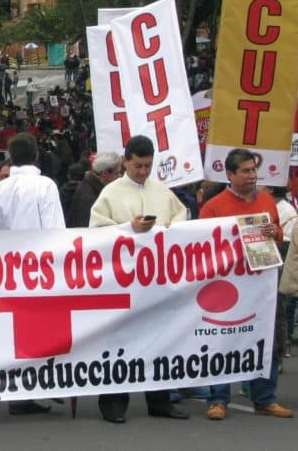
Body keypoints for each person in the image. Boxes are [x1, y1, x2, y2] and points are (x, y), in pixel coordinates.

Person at [88, 135, 188, 423]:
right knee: (119, 343)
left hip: (157, 279)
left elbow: (181, 215)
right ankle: (113, 403)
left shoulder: (162, 190)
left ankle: (160, 400)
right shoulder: (110, 193)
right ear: (125, 162)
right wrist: (127, 227)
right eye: (138, 166)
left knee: (161, 340)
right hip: (123, 280)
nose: (143, 171)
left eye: (147, 166)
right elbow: (96, 231)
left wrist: (170, 227)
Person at [200, 148, 293, 420]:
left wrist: (275, 232)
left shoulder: (266, 201)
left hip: (262, 284)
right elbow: (202, 246)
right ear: (230, 175)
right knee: (223, 340)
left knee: (266, 337)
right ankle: (218, 399)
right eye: (246, 171)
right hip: (228, 286)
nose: (252, 175)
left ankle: (264, 398)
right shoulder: (214, 207)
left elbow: (276, 236)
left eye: (254, 170)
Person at [0, 133, 63, 415]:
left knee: (15, 334)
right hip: (42, 268)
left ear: (11, 157)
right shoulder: (46, 185)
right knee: (44, 330)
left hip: (10, 268)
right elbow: (55, 230)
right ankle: (41, 384)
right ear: (36, 155)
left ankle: (20, 393)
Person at [66, 152, 120, 228]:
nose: (119, 177)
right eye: (117, 174)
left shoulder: (94, 186)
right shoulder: (88, 196)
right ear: (104, 174)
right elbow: (85, 228)